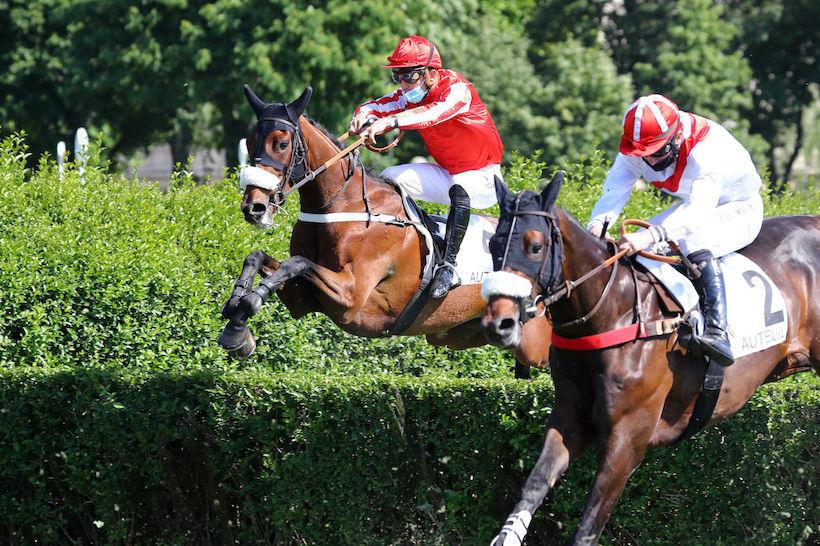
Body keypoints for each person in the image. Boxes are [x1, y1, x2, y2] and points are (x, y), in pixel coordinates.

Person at [587, 94, 764, 365]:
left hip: (739, 208)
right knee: (642, 248)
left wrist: (649, 234)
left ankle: (718, 332)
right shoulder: (641, 146)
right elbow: (615, 189)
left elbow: (697, 212)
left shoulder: (707, 151)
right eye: (642, 155)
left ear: (677, 135)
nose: (650, 162)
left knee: (691, 241)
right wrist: (597, 225)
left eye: (657, 152)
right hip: (701, 206)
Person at [349, 35, 504, 299]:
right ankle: (407, 243)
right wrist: (361, 117)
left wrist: (391, 122)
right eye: (399, 75)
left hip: (484, 177)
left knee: (461, 187)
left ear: (431, 73)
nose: (403, 83)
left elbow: (432, 112)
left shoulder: (457, 90)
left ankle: (449, 266)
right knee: (390, 178)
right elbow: (376, 105)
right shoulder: (409, 94)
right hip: (447, 172)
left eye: (409, 76)